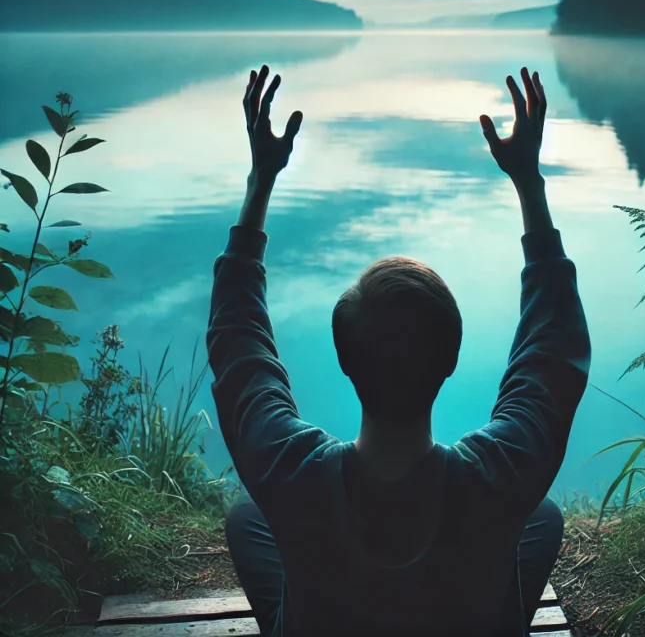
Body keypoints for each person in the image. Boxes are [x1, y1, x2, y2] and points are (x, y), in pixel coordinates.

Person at [206, 64, 591, 637]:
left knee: (250, 515)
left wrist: (261, 180)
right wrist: (528, 183)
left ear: (345, 361)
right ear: (451, 361)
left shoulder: (292, 470)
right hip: (468, 577)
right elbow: (550, 354)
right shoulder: (497, 475)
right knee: (536, 515)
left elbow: (241, 351)